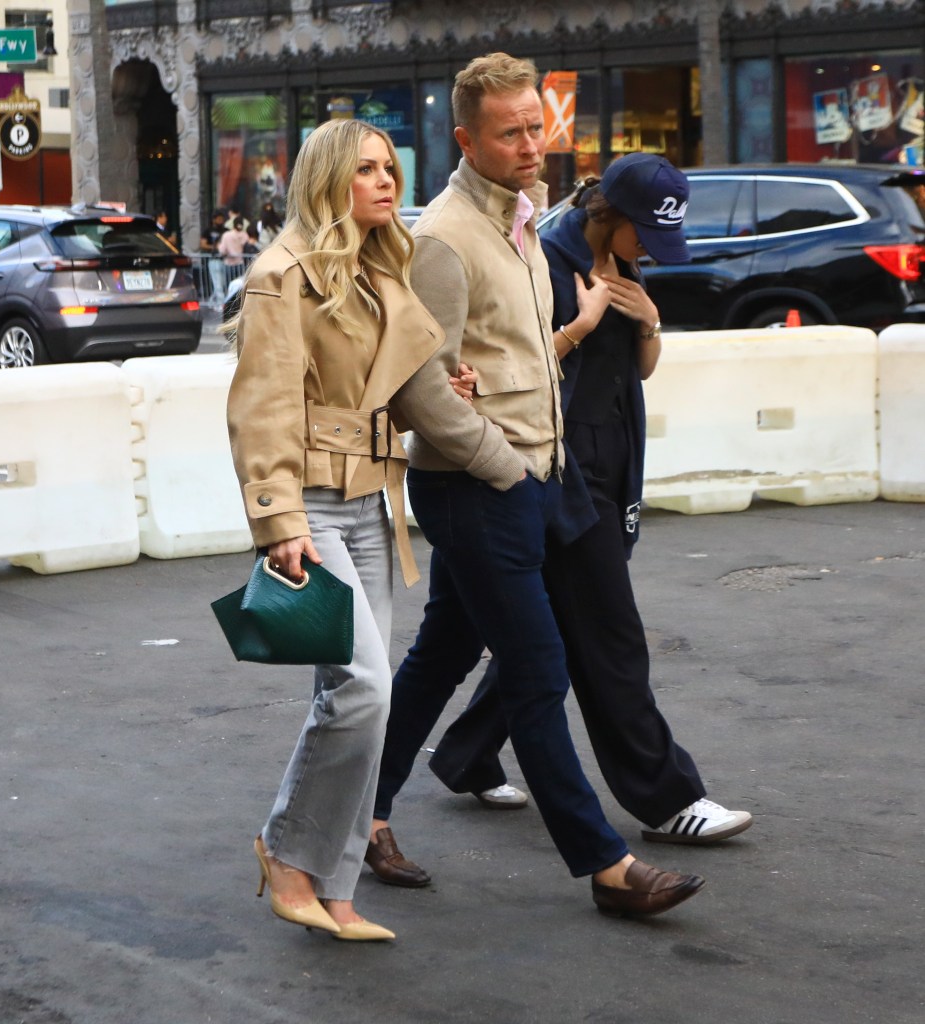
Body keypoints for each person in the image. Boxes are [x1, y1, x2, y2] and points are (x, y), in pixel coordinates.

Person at [366, 53, 705, 918]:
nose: (530, 145)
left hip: (526, 484)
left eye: (535, 127)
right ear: (465, 139)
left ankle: (358, 813)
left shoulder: (517, 222)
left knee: (438, 660)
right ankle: (605, 866)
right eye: (510, 131)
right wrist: (505, 468)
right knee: (539, 672)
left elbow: (514, 362)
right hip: (482, 488)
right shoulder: (444, 237)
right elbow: (418, 388)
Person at [425, 154, 754, 845]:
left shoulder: (625, 264)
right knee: (607, 634)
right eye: (646, 236)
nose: (652, 253)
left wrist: (647, 320)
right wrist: (585, 318)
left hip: (608, 462)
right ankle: (668, 798)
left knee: (530, 634)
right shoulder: (542, 259)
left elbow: (636, 372)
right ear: (610, 213)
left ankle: (466, 754)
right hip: (551, 467)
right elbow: (508, 367)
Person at [225, 117, 447, 941]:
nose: (385, 182)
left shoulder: (381, 270)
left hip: (373, 506)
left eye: (390, 168)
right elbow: (261, 407)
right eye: (365, 170)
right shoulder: (282, 275)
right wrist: (277, 520)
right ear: (327, 181)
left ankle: (337, 886)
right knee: (362, 688)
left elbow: (385, 386)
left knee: (364, 703)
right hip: (312, 506)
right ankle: (284, 851)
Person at [218, 216, 251, 286]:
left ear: (233, 224)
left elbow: (222, 251)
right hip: (240, 264)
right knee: (239, 286)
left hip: (229, 264)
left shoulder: (226, 235)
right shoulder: (245, 235)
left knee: (229, 286)